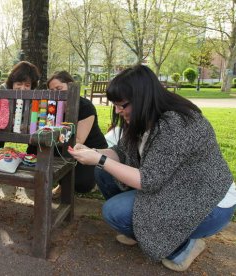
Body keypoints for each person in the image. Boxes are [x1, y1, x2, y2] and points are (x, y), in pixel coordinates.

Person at [68, 65, 236, 272]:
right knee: (103, 171)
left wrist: (99, 159)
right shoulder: (144, 116)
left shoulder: (176, 124)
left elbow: (147, 180)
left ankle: (183, 248)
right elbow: (121, 152)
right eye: (116, 105)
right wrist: (93, 152)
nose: (117, 110)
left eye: (122, 105)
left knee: (114, 212)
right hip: (176, 188)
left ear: (142, 97)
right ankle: (141, 230)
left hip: (208, 203)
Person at [46, 71, 107, 195]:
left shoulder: (85, 106)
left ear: (71, 86)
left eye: (59, 88)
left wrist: (51, 140)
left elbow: (78, 140)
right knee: (35, 151)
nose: (57, 94)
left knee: (81, 184)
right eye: (53, 91)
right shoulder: (53, 107)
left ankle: (96, 176)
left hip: (90, 149)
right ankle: (62, 184)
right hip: (65, 145)